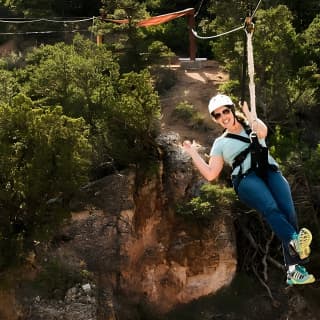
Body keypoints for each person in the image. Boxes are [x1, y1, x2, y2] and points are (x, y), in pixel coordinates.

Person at [182, 93, 315, 285]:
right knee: (271, 208)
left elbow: (263, 132)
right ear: (215, 120)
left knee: (289, 213)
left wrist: (249, 113)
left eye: (226, 111)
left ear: (232, 110)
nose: (223, 117)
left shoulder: (251, 126)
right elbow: (211, 174)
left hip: (269, 171)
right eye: (217, 115)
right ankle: (294, 242)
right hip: (246, 179)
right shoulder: (220, 143)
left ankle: (293, 270)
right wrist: (193, 152)